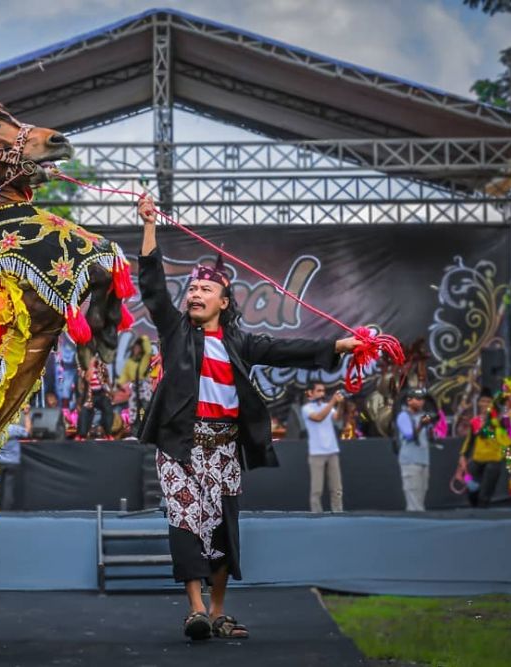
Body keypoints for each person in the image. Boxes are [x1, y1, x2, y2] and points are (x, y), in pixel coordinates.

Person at [136, 194, 362, 641]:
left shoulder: (242, 342)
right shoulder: (175, 331)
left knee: (222, 525)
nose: (195, 294)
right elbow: (153, 286)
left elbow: (289, 349)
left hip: (224, 449)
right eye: (193, 290)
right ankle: (196, 611)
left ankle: (219, 612)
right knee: (186, 522)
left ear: (223, 301)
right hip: (179, 447)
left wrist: (339, 346)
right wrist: (148, 226)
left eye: (206, 290)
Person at [301, 381, 344, 513]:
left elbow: (337, 418)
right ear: (311, 393)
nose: (322, 393)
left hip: (332, 451)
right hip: (316, 453)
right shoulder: (306, 409)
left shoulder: (328, 406)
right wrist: (333, 401)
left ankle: (338, 514)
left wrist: (341, 404)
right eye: (319, 391)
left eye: (323, 391)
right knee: (317, 490)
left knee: (337, 489)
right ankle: (316, 517)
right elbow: (319, 417)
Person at [458, 389, 505, 508]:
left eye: (488, 401)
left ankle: (483, 517)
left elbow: (501, 437)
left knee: (484, 495)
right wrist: (463, 456)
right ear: (478, 403)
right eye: (482, 401)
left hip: (493, 460)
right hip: (477, 459)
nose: (484, 404)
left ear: (492, 404)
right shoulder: (475, 421)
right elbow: (469, 441)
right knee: (471, 490)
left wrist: (492, 423)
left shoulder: (499, 421)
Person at [395, 387, 434, 512]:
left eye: (422, 399)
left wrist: (430, 426)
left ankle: (420, 521)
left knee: (422, 494)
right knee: (413, 495)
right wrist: (421, 425)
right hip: (410, 460)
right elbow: (409, 435)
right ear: (409, 401)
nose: (421, 402)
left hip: (423, 459)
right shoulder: (403, 416)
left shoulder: (424, 416)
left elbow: (432, 436)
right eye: (417, 399)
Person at [0, 405, 32, 510]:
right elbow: (28, 432)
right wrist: (26, 415)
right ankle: (6, 508)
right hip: (12, 462)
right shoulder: (13, 429)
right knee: (9, 486)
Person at [118, 334, 154, 427]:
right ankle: (135, 431)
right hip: (134, 387)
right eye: (134, 348)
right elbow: (124, 375)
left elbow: (149, 350)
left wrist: (142, 338)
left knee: (147, 408)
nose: (136, 350)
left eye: (138, 347)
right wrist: (119, 384)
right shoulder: (130, 362)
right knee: (133, 411)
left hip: (144, 386)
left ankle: (149, 428)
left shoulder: (145, 358)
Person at [77, 352, 114, 439]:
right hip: (89, 395)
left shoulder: (101, 366)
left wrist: (111, 391)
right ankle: (82, 435)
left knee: (107, 408)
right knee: (85, 411)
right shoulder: (84, 368)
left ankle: (108, 433)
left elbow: (107, 378)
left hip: (101, 393)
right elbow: (84, 380)